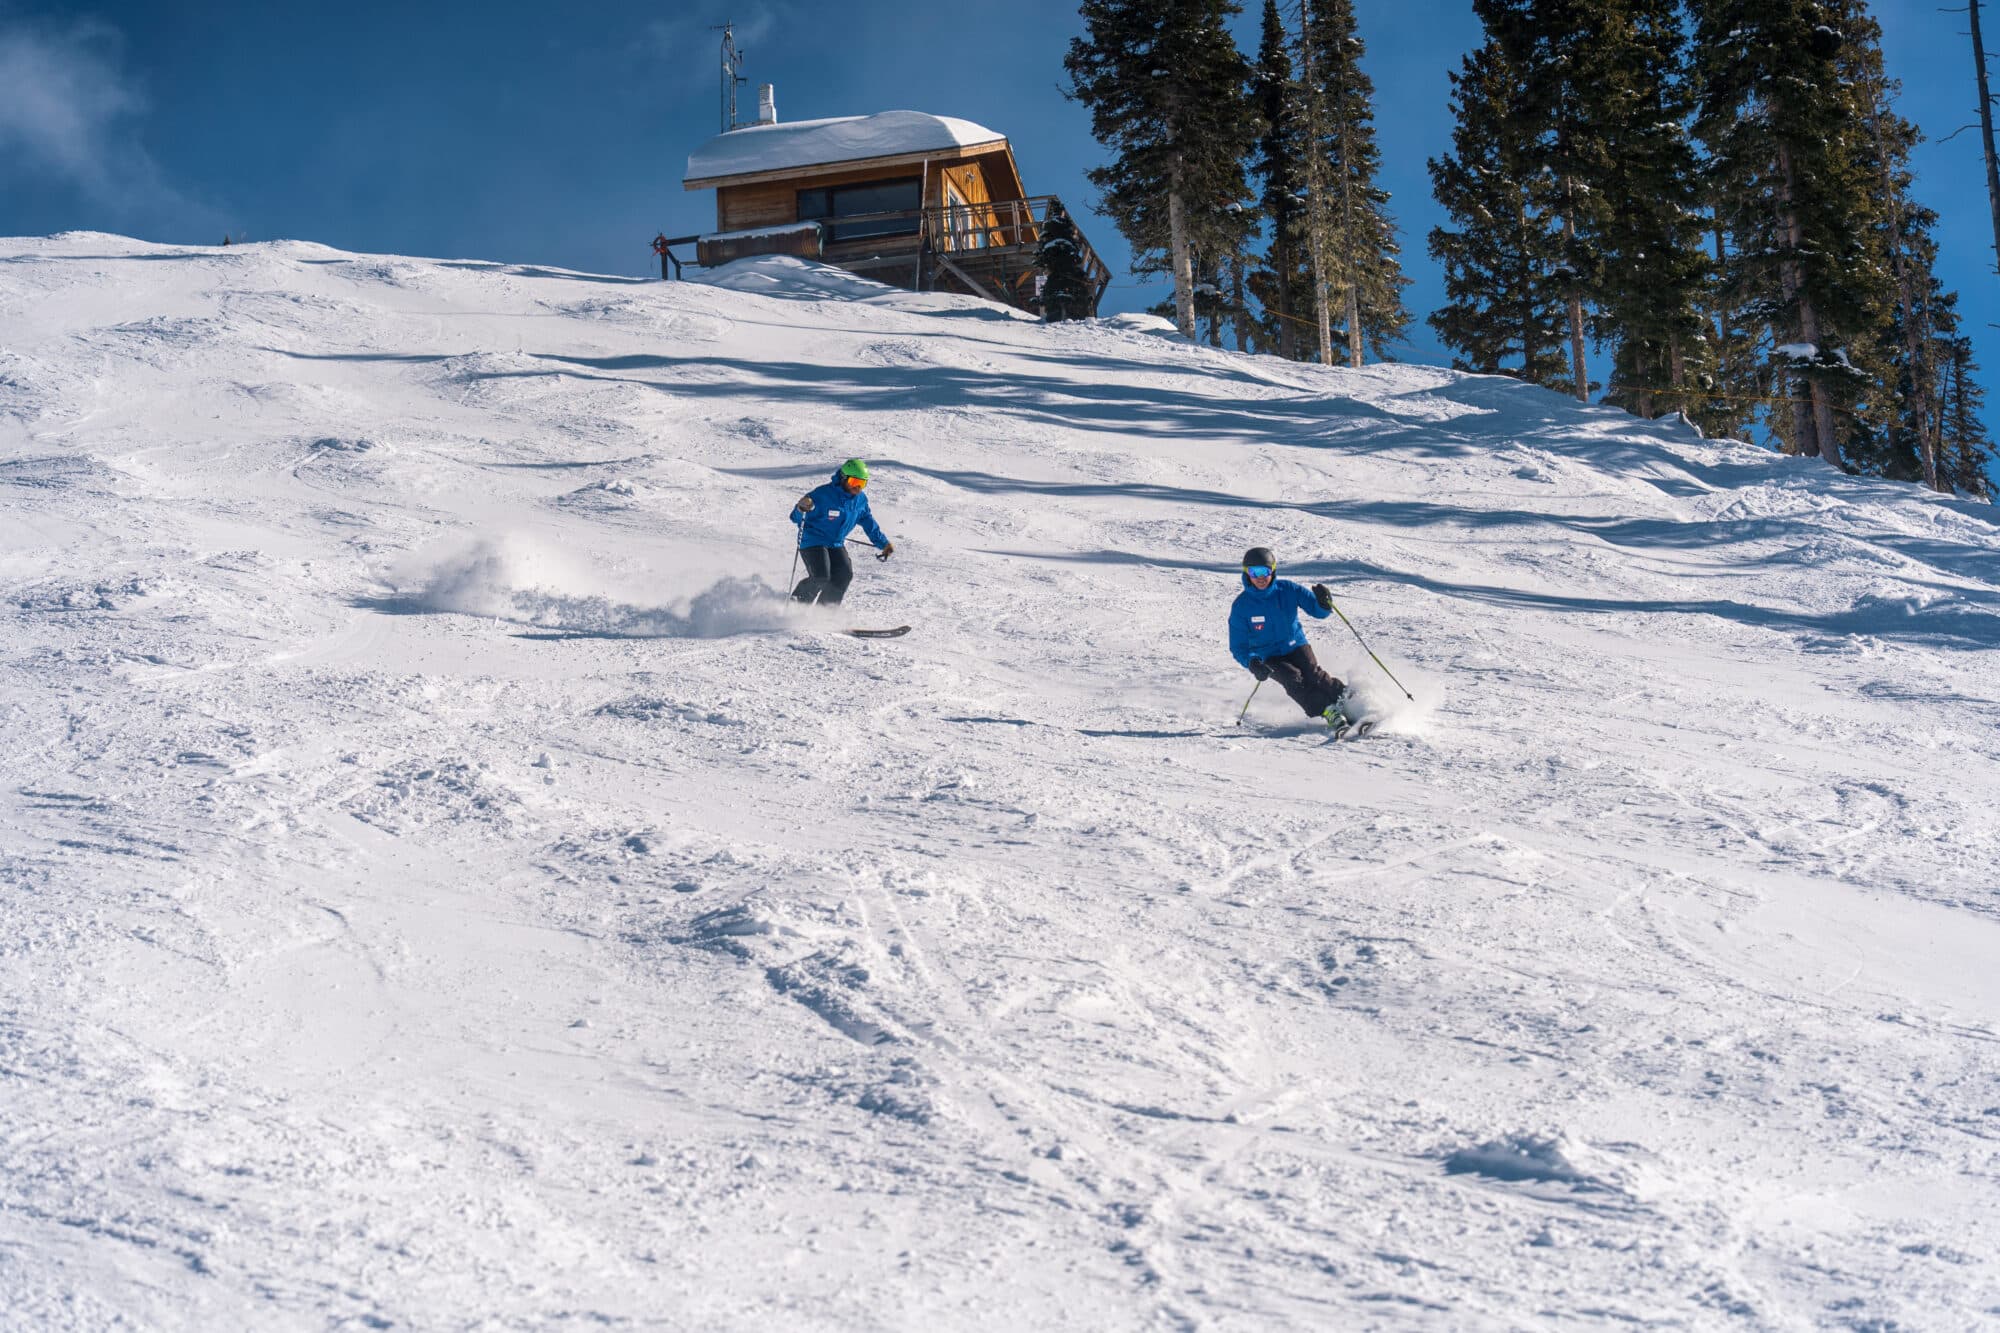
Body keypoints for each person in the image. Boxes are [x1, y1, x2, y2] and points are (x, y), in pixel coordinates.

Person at [1229, 546, 1351, 727]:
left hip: (1295, 644)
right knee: (1293, 679)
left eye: (1265, 571)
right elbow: (1238, 646)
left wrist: (1324, 604)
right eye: (1255, 572)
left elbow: (1318, 612)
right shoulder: (1242, 606)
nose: (1260, 577)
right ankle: (1328, 710)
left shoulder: (1287, 589)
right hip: (1268, 656)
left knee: (1314, 674)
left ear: (1273, 570)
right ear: (1247, 573)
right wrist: (1252, 663)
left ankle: (1349, 699)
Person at [790, 459, 894, 604]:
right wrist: (801, 508)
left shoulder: (860, 500)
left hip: (835, 543)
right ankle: (797, 605)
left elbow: (868, 522)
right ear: (843, 479)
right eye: (854, 482)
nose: (857, 488)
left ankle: (825, 613)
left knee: (844, 575)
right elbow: (795, 518)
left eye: (862, 484)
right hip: (813, 540)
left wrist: (883, 543)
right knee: (821, 576)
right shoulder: (822, 495)